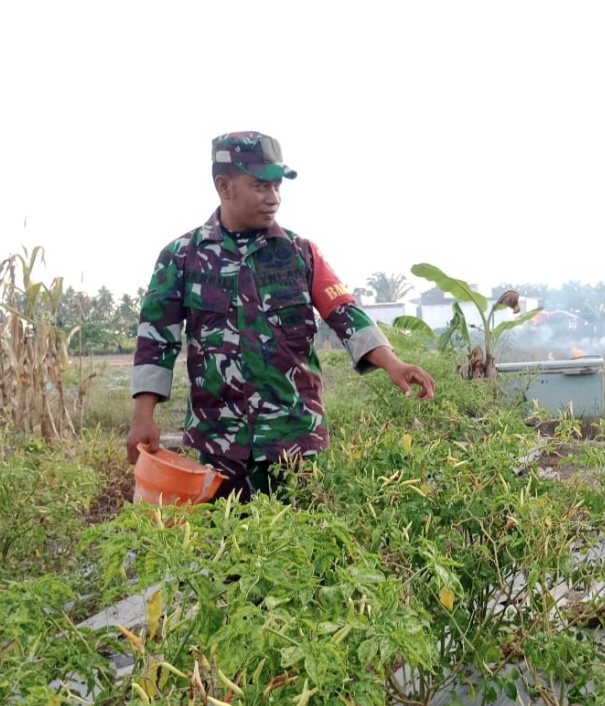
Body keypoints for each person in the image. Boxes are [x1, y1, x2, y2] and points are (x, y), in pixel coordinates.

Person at [127, 131, 435, 501]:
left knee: (303, 552)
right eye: (261, 186)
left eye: (276, 187)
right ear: (224, 186)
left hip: (296, 445)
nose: (273, 198)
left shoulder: (300, 254)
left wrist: (393, 364)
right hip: (220, 447)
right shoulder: (181, 258)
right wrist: (143, 417)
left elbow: (344, 312)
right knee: (226, 553)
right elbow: (155, 339)